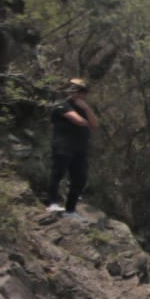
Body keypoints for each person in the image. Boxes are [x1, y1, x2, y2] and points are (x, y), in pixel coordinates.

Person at [45, 78, 97, 217]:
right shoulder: (62, 106)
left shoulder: (84, 109)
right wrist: (86, 117)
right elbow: (79, 121)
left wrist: (86, 108)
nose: (81, 94)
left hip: (80, 148)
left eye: (83, 92)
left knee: (80, 178)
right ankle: (52, 203)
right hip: (63, 145)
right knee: (58, 173)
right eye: (78, 91)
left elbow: (94, 124)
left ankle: (71, 209)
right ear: (71, 91)